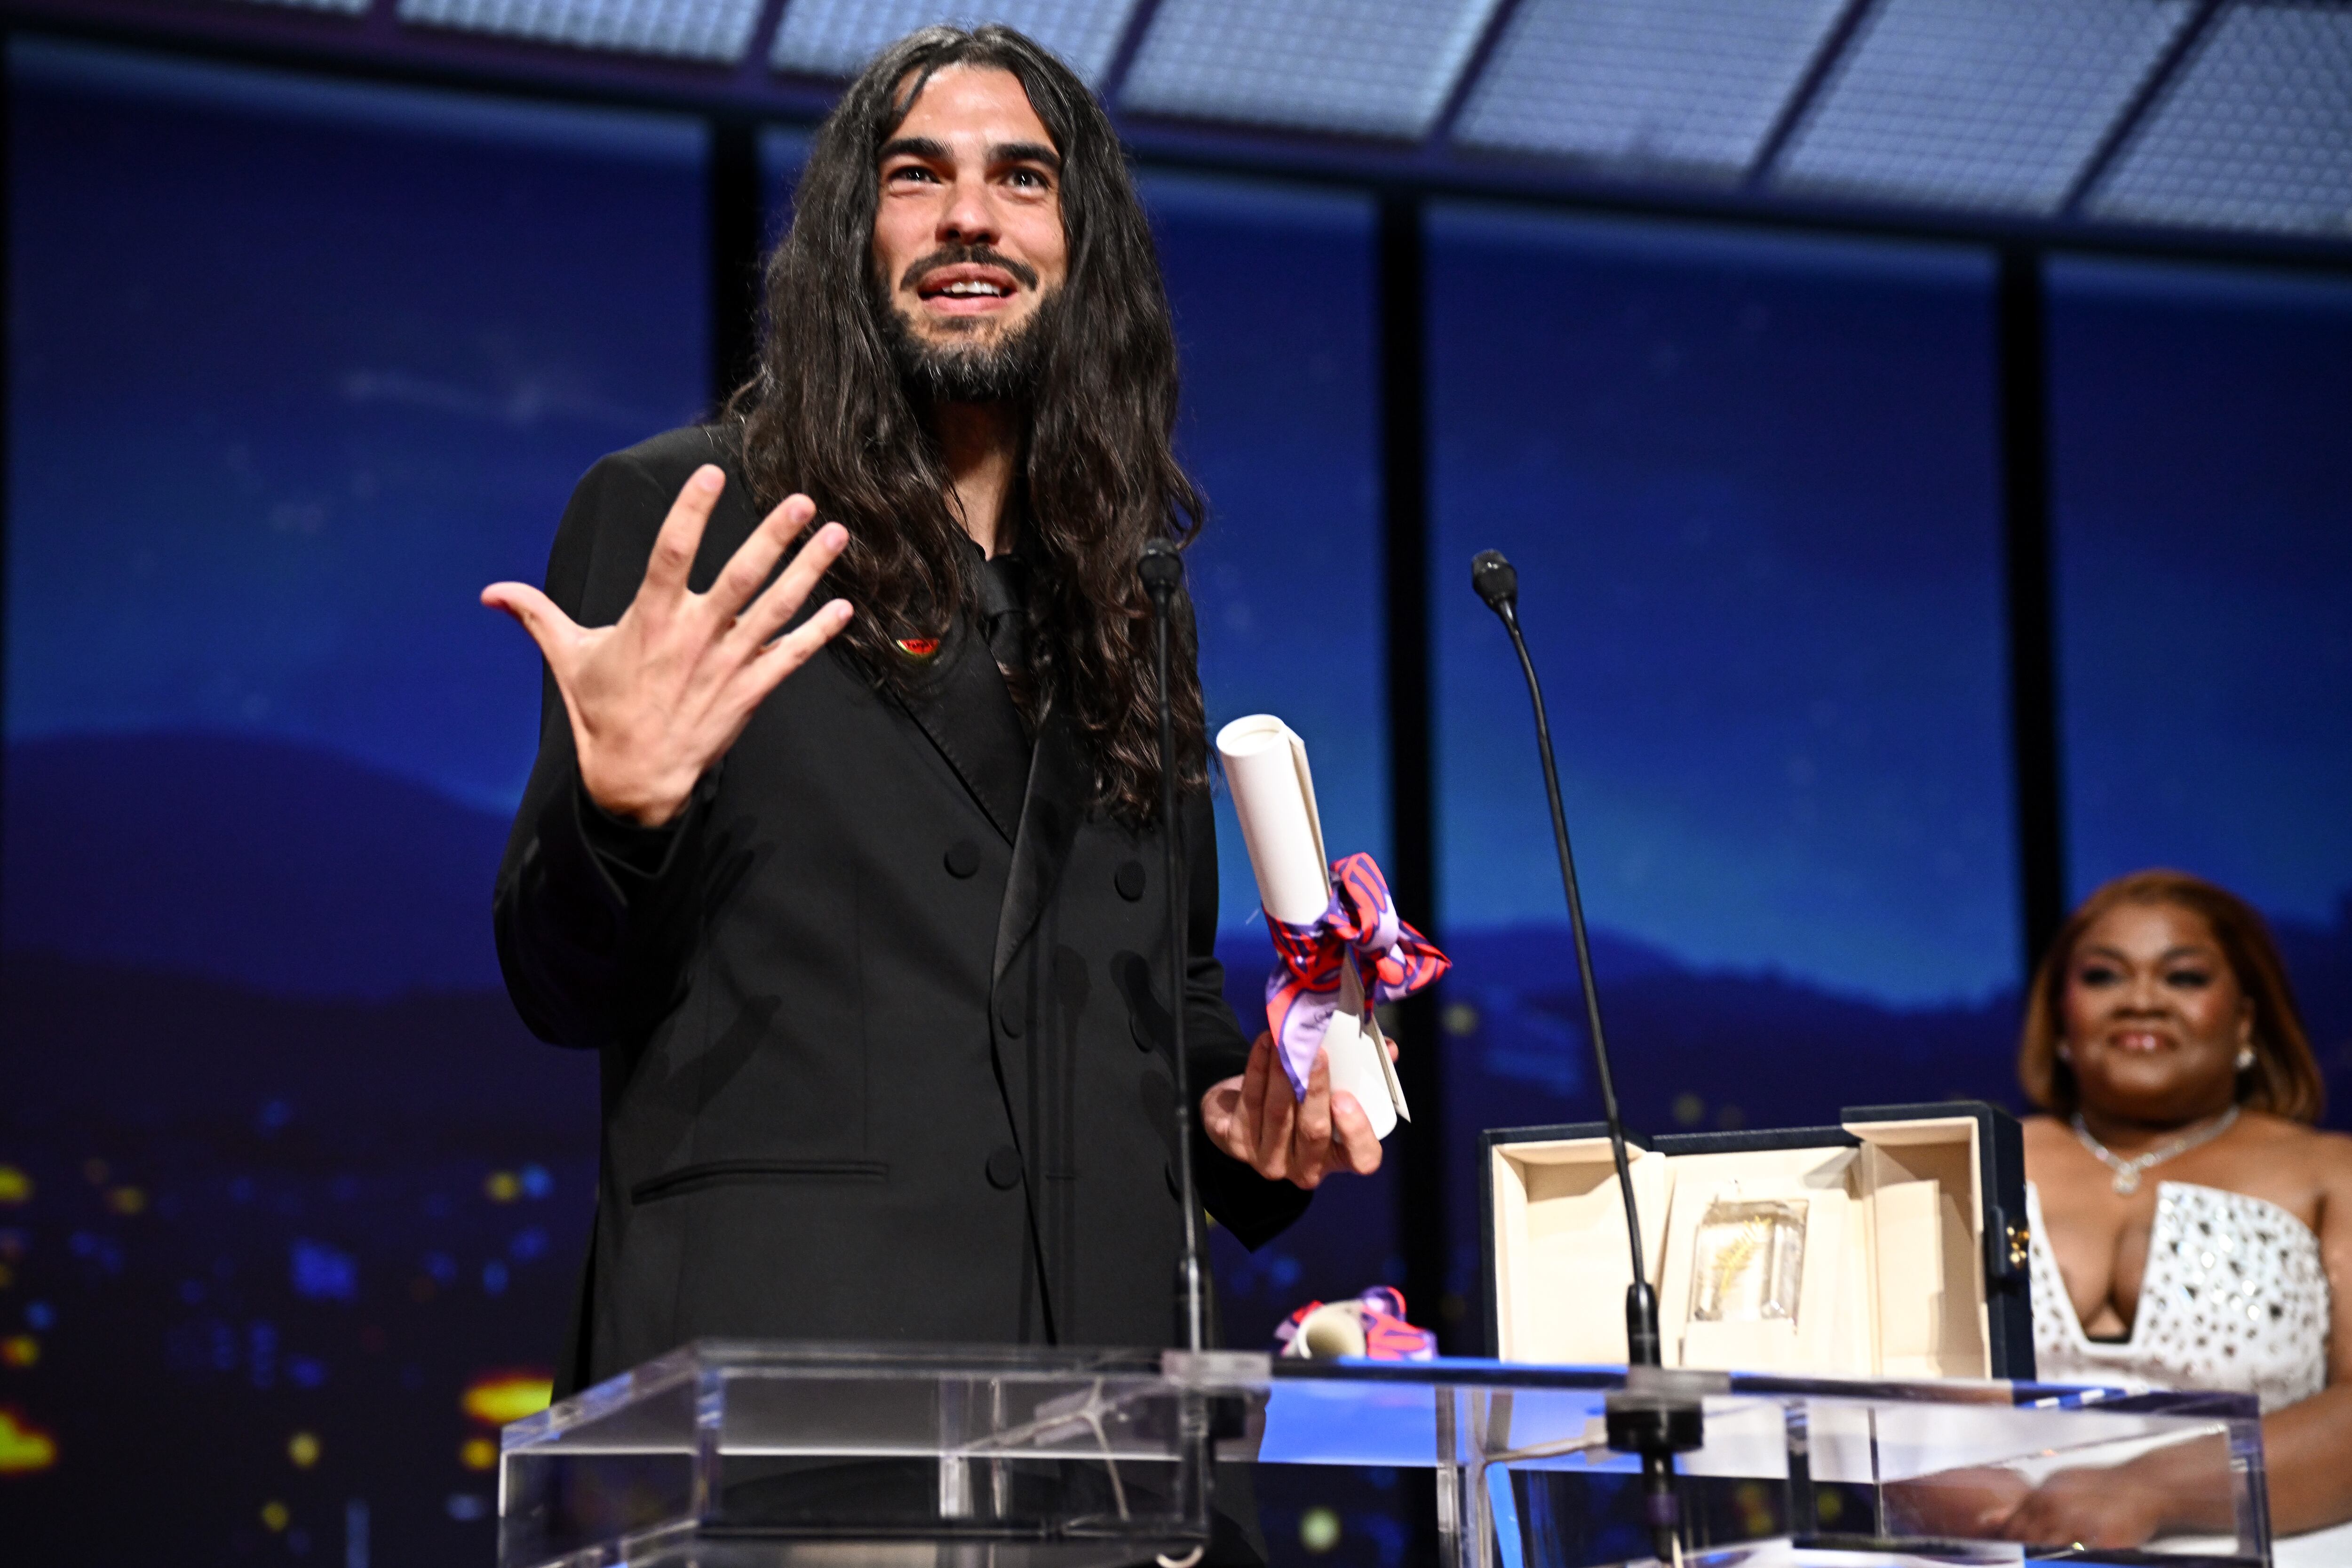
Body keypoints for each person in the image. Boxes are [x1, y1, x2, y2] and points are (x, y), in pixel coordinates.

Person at [482, 23, 1384, 1408]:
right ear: (853, 232)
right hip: (790, 1411)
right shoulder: (695, 519)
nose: (971, 213)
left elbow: (1175, 994)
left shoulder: (1134, 589)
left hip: (1110, 1429)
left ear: (1084, 253)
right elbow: (559, 981)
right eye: (919, 175)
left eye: (1023, 178)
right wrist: (620, 812)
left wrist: (1235, 1112)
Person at [1991, 869, 2352, 1558]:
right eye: (2103, 976)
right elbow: (1869, 1392)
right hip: (1997, 1539)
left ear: (2246, 1017)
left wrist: (2153, 1488)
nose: (2142, 1000)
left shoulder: (2334, 1172)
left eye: (2183, 977)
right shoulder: (1980, 1159)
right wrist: (1976, 1504)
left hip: (2271, 1539)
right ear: (2062, 1016)